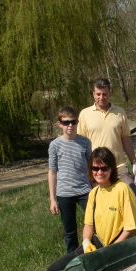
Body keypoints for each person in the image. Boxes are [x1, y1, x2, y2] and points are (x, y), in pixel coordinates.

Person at [47, 147, 136, 271]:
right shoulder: (94, 193)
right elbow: (88, 226)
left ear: (112, 169)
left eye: (104, 168)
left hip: (118, 248)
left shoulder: (122, 189)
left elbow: (131, 229)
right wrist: (86, 242)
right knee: (54, 270)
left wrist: (109, 250)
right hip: (97, 245)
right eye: (95, 168)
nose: (99, 172)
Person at [48, 106, 92, 253]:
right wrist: (53, 199)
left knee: (94, 223)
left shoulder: (85, 143)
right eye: (66, 122)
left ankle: (93, 251)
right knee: (70, 231)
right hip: (64, 193)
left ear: (77, 122)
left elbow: (91, 168)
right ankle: (73, 260)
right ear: (59, 124)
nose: (70, 126)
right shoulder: (54, 145)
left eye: (73, 122)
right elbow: (52, 172)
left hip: (85, 191)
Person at [77, 78, 136, 187]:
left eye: (105, 94)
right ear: (93, 94)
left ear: (109, 93)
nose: (101, 97)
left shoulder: (120, 112)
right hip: (97, 169)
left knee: (132, 196)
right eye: (98, 94)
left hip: (119, 168)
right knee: (100, 203)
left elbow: (126, 140)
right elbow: (81, 145)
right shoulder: (85, 114)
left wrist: (134, 162)